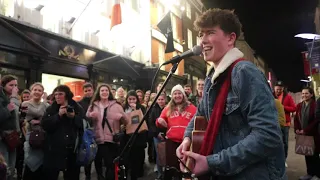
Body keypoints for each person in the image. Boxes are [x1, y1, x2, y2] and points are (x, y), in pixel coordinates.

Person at [176, 8, 286, 179]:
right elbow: (200, 114)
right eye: (200, 34)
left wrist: (213, 162)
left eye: (210, 32)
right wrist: (187, 139)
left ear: (231, 38)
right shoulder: (212, 77)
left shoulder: (244, 72)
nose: (202, 40)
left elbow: (268, 135)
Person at [41, 85, 84, 180]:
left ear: (67, 95)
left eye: (60, 94)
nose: (57, 96)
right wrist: (58, 115)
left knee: (72, 176)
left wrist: (74, 117)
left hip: (72, 150)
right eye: (55, 94)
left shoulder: (77, 107)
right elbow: (45, 125)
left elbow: (84, 125)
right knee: (50, 175)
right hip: (54, 150)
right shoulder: (51, 108)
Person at [87, 84, 128, 180]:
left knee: (110, 163)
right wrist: (90, 116)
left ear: (109, 92)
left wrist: (120, 118)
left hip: (111, 139)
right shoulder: (94, 104)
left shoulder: (116, 105)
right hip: (97, 138)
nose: (104, 92)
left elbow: (126, 121)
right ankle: (100, 176)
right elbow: (87, 117)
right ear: (99, 92)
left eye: (106, 90)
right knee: (98, 162)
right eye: (102, 90)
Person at [295, 87, 320, 180]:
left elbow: (316, 120)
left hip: (314, 134)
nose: (304, 95)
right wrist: (297, 129)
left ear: (311, 94)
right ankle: (309, 173)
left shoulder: (315, 105)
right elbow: (296, 119)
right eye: (303, 93)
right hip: (303, 135)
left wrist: (306, 130)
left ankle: (317, 175)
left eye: (306, 93)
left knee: (315, 156)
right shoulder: (299, 105)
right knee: (307, 154)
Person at [0, 75, 20, 180]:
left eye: (16, 85)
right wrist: (7, 109)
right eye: (11, 85)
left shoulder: (14, 98)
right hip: (3, 137)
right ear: (3, 85)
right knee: (5, 166)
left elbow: (15, 117)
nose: (14, 87)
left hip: (13, 136)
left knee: (12, 167)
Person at [274, 81, 296, 166]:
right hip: (273, 123)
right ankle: (276, 159)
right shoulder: (270, 96)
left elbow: (293, 108)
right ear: (274, 88)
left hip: (285, 124)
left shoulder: (288, 97)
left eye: (280, 89)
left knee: (285, 143)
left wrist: (283, 107)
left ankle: (284, 160)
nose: (278, 91)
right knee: (275, 142)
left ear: (283, 89)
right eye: (277, 89)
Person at [78, 82, 94, 180]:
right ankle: (87, 175)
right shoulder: (79, 104)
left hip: (97, 130)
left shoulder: (96, 102)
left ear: (93, 90)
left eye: (89, 90)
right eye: (86, 91)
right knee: (88, 153)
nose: (88, 92)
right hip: (86, 131)